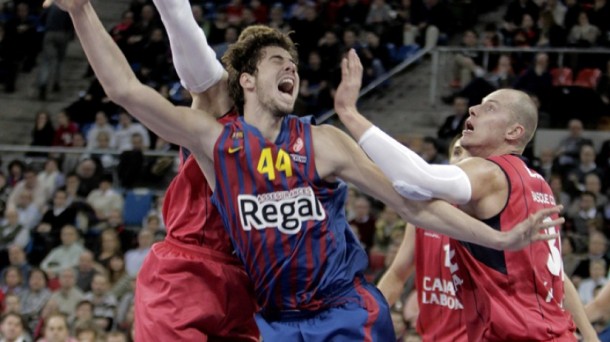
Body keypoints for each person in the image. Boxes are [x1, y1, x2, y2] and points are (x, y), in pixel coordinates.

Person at [50, 0, 559, 340]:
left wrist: (499, 241)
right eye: (278, 61)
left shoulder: (321, 143)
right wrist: (81, 12)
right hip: (274, 319)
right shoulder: (215, 140)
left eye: (294, 64)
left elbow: (410, 202)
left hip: (342, 311)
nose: (291, 68)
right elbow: (126, 90)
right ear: (246, 81)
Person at [334, 50, 576, 340]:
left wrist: (349, 114)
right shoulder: (538, 185)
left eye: (490, 108)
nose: (473, 109)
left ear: (514, 132)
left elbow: (415, 179)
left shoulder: (492, 172)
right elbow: (413, 204)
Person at [377, 137, 599, 341]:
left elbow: (554, 276)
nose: (463, 160)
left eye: (472, 156)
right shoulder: (421, 218)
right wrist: (368, 322)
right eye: (456, 152)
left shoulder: (504, 219)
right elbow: (397, 275)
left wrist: (588, 334)